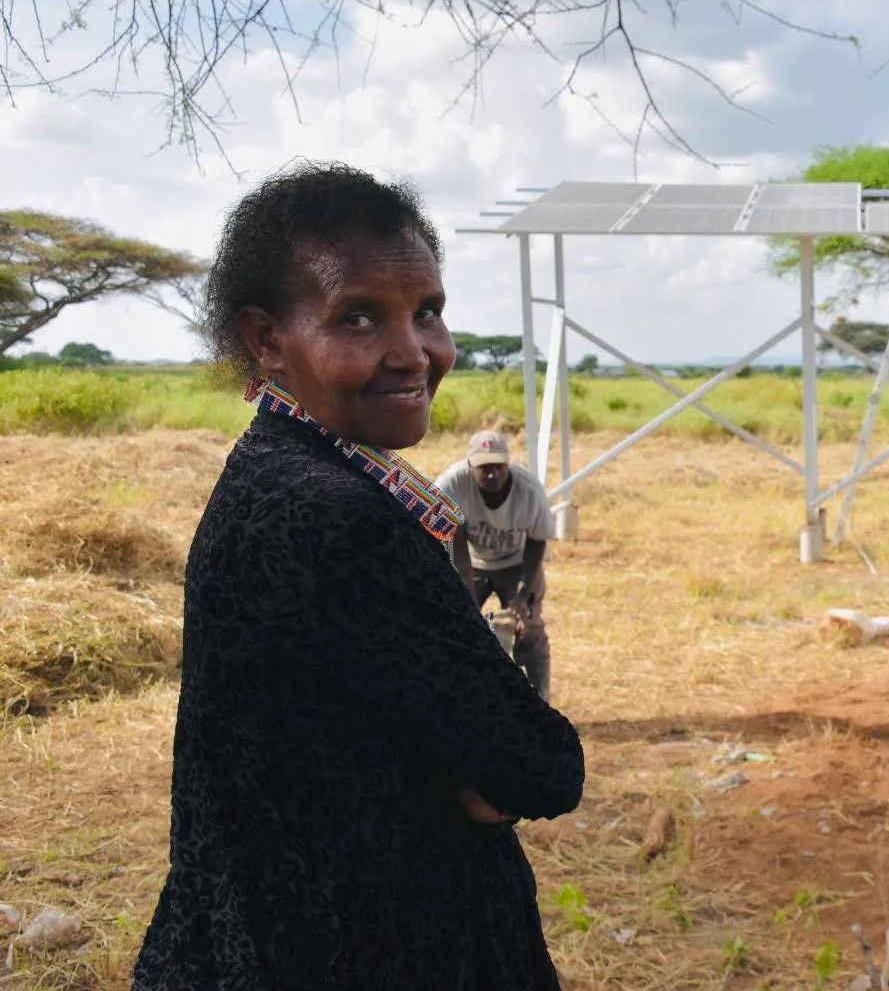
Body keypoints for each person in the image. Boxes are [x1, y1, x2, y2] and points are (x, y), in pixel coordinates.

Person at [133, 162, 585, 991]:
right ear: (267, 340)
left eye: (429, 312)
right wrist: (480, 767)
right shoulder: (335, 518)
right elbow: (539, 764)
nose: (414, 354)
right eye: (360, 317)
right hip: (363, 944)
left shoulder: (270, 467)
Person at [435, 430, 556, 699]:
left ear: (508, 464)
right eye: (484, 468)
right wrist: (463, 595)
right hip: (474, 564)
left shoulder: (528, 490)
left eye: (499, 467)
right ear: (470, 467)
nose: (492, 475)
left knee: (530, 630)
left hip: (517, 564)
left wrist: (523, 597)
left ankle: (541, 703)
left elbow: (537, 542)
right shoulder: (451, 485)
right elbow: (454, 540)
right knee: (456, 627)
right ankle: (462, 698)